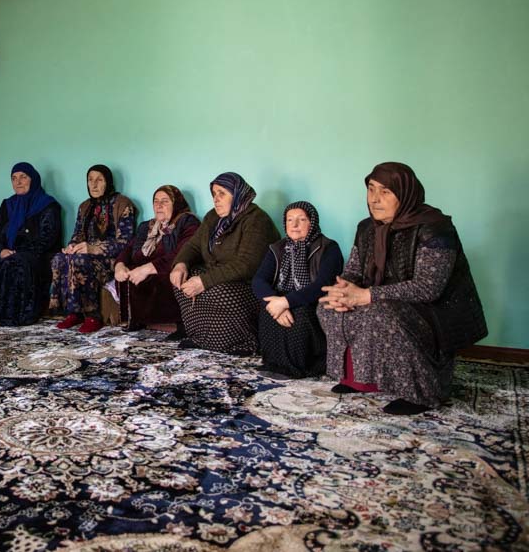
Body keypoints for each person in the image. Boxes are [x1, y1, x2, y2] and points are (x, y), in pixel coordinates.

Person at [318, 162, 487, 415]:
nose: (374, 199)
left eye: (385, 192)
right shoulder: (366, 228)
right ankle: (361, 380)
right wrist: (343, 291)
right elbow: (354, 270)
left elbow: (428, 288)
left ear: (405, 194)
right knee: (328, 307)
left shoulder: (435, 228)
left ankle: (421, 393)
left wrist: (366, 295)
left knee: (382, 313)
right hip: (384, 300)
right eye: (371, 189)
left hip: (434, 310)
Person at [169, 172, 279, 354]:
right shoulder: (213, 217)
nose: (216, 199)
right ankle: (202, 338)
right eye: (213, 194)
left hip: (249, 285)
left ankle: (243, 342)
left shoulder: (257, 219)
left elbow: (247, 264)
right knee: (181, 281)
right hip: (218, 276)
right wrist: (180, 264)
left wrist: (204, 281)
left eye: (222, 193)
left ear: (237, 194)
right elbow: (194, 246)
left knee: (219, 291)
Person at [252, 202, 343, 378]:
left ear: (312, 223)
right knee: (267, 308)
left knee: (300, 312)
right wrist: (274, 301)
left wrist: (286, 302)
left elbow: (322, 285)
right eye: (289, 220)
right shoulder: (277, 248)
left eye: (301, 219)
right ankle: (274, 363)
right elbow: (259, 280)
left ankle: (300, 366)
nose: (294, 225)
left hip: (314, 299)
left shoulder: (329, 247)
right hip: (281, 297)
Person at [51, 165, 136, 333]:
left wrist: (93, 248)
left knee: (81, 260)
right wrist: (72, 246)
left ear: (108, 182)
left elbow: (125, 242)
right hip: (86, 255)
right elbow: (77, 235)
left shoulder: (123, 204)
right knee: (59, 258)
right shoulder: (85, 207)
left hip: (111, 259)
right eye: (90, 180)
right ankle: (72, 312)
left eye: (99, 180)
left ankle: (92, 316)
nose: (94, 185)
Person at [0, 162, 62, 326]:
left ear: (33, 179)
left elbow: (48, 238)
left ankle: (16, 315)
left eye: (23, 177)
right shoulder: (8, 205)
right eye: (14, 178)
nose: (18, 182)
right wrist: (1, 250)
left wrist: (18, 252)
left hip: (37, 255)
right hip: (9, 252)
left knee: (16, 263)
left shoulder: (48, 205)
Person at [113, 185, 200, 330]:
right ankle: (137, 320)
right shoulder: (146, 226)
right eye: (156, 201)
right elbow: (128, 248)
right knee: (127, 273)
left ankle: (176, 325)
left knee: (170, 276)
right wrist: (119, 265)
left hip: (167, 269)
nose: (159, 205)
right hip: (144, 269)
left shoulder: (187, 222)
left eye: (165, 201)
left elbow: (184, 252)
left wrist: (146, 269)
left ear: (176, 203)